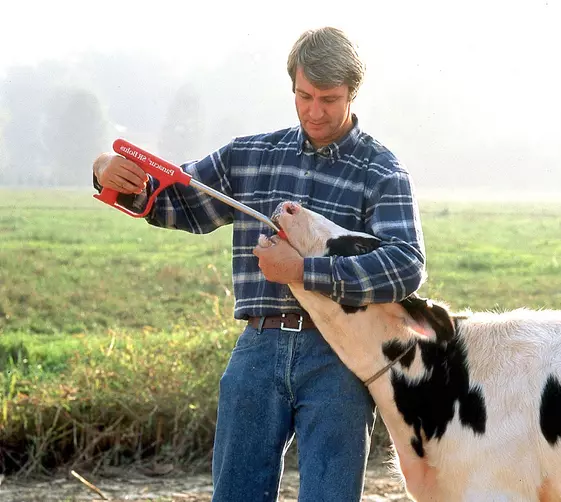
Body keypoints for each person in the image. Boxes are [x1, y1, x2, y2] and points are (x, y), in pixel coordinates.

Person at [91, 27, 426, 501]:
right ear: (292, 86)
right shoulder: (250, 155)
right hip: (257, 347)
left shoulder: (381, 170)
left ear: (353, 92)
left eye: (328, 99)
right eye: (304, 95)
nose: (314, 111)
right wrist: (109, 172)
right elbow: (176, 203)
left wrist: (303, 272)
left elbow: (406, 266)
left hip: (339, 357)